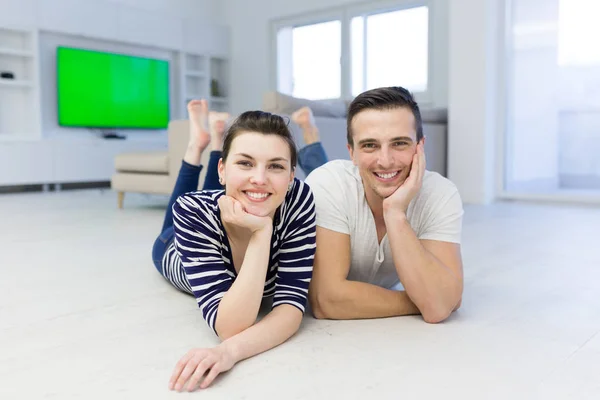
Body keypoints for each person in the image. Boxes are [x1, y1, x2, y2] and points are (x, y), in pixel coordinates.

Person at [151, 100, 317, 391]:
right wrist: (261, 231)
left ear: (292, 176)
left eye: (276, 166)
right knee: (179, 210)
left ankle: (207, 143)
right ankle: (196, 146)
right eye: (245, 163)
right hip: (170, 246)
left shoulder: (299, 200)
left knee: (241, 194)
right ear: (223, 169)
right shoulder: (193, 212)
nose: (260, 179)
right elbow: (231, 327)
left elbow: (290, 309)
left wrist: (261, 230)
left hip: (224, 205)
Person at [304, 86, 464, 324]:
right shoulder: (328, 183)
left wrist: (395, 212)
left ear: (420, 146)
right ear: (352, 152)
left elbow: (439, 306)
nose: (386, 161)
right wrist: (422, 300)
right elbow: (326, 300)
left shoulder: (441, 194)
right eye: (370, 145)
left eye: (399, 143)